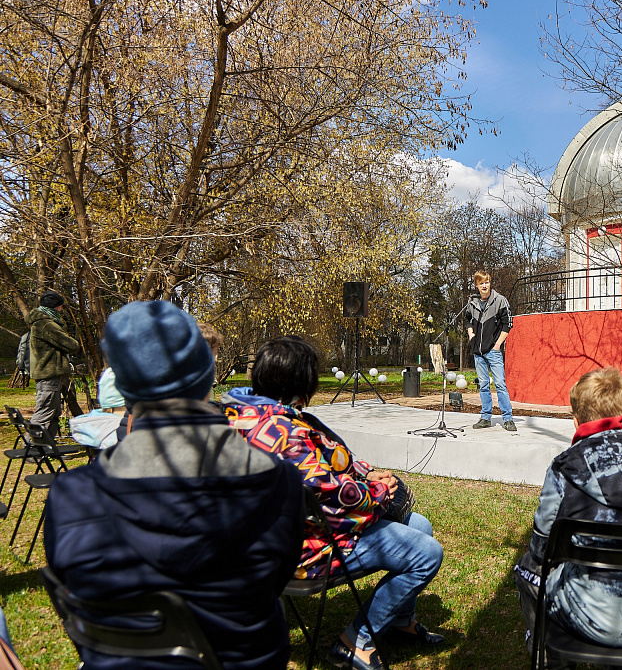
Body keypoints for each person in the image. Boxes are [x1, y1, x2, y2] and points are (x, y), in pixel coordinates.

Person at [45, 301, 305, 670]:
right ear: (205, 374)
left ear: (124, 386)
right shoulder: (279, 483)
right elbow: (275, 583)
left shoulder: (71, 496)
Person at [224, 336, 444, 670]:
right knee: (427, 552)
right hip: (299, 551)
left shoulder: (240, 416)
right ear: (301, 381)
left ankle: (400, 620)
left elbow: (329, 470)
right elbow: (331, 498)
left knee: (421, 527)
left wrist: (368, 473)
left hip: (263, 541)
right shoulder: (283, 433)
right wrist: (380, 492)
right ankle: (355, 643)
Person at [513, 367, 622, 654]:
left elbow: (540, 548)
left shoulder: (565, 468)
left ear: (576, 421)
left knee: (526, 565)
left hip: (590, 618)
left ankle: (547, 655)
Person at [465, 271, 516, 431]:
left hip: (493, 351)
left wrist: (497, 345)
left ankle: (508, 418)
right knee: (484, 385)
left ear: (490, 283)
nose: (484, 286)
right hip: (477, 351)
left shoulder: (500, 301)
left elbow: (508, 323)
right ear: (477, 285)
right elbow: (467, 319)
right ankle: (485, 417)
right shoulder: (472, 302)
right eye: (481, 283)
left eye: (486, 282)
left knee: (500, 384)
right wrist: (471, 335)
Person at [28, 291, 82, 438]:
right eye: (60, 306)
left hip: (50, 374)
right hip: (48, 374)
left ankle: (46, 447)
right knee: (45, 412)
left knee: (54, 413)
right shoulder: (46, 324)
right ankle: (30, 447)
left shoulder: (42, 322)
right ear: (54, 307)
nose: (62, 309)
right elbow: (71, 345)